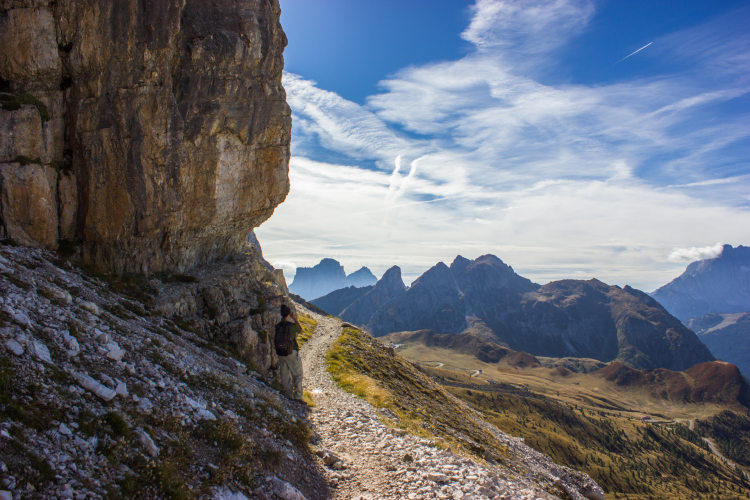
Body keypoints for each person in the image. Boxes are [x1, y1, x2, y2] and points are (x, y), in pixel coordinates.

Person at [275, 304, 303, 400]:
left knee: (285, 376)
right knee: (298, 374)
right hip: (291, 352)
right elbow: (301, 330)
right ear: (288, 314)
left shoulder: (278, 326)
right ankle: (298, 397)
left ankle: (288, 396)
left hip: (280, 353)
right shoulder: (292, 326)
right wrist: (294, 319)